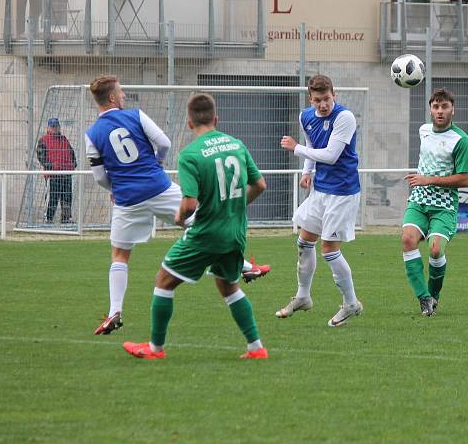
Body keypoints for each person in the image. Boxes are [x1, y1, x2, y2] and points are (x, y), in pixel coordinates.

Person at [86, 76, 269, 336]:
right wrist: (157, 163)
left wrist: (114, 189)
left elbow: (99, 176)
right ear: (113, 98)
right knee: (202, 218)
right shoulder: (136, 116)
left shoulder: (91, 133)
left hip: (127, 198)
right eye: (121, 92)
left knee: (120, 254)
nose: (124, 95)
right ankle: (242, 265)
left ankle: (115, 311)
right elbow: (164, 143)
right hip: (156, 185)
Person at [123, 93, 269, 360]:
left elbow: (189, 204)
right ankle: (256, 348)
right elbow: (259, 185)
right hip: (235, 233)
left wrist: (179, 217)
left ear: (189, 123)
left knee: (164, 281)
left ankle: (155, 349)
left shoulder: (190, 155)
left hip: (206, 234)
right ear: (216, 119)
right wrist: (235, 207)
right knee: (229, 287)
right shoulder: (236, 144)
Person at [277, 74, 363, 327]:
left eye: (326, 99)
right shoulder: (306, 116)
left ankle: (351, 304)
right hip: (321, 190)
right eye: (317, 100)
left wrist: (295, 148)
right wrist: (306, 172)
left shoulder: (345, 117)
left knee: (329, 249)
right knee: (304, 241)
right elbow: (312, 146)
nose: (323, 105)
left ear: (334, 94)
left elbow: (331, 155)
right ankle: (303, 297)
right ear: (310, 99)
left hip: (342, 192)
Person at [401, 88, 468, 316]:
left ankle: (433, 296)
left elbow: (464, 179)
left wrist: (428, 180)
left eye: (444, 107)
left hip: (443, 206)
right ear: (430, 109)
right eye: (436, 107)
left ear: (453, 110)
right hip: (419, 201)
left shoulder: (461, 140)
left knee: (434, 250)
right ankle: (423, 298)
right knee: (407, 240)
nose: (440, 111)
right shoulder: (423, 131)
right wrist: (421, 181)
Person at [36, 118, 76, 224]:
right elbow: (41, 156)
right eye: (52, 126)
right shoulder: (43, 140)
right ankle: (48, 219)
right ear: (49, 127)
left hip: (66, 173)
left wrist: (72, 165)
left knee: (67, 197)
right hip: (53, 175)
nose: (55, 128)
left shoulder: (64, 139)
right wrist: (51, 167)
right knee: (52, 198)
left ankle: (66, 219)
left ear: (59, 127)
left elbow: (71, 153)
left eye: (56, 126)